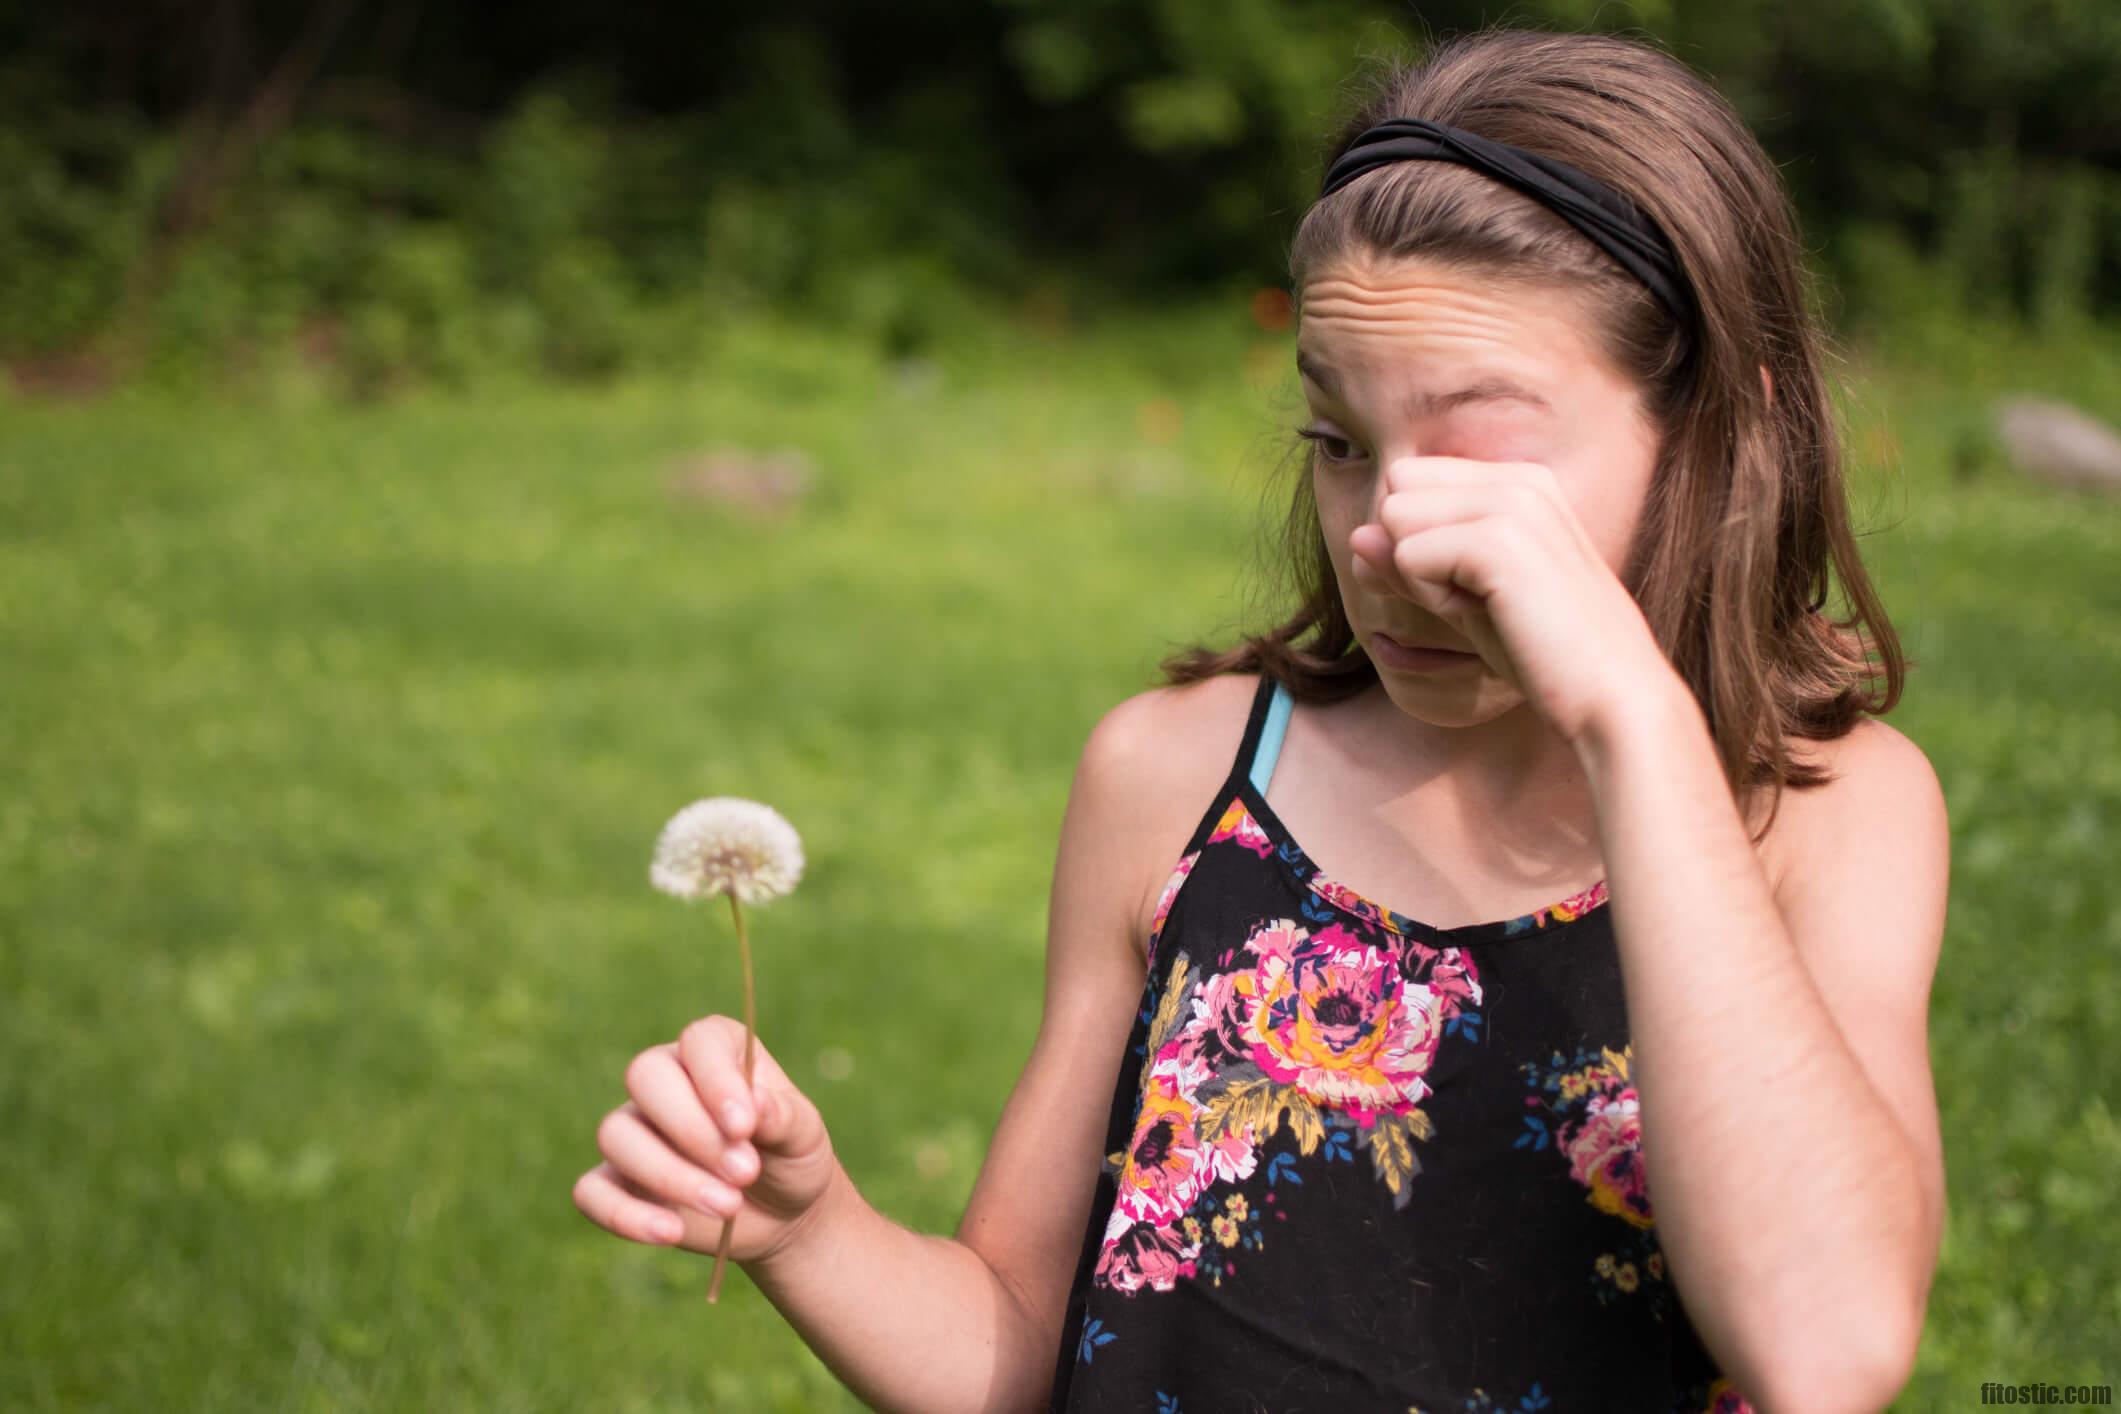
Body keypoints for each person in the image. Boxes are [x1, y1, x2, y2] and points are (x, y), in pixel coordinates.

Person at [571, 25, 1950, 1414]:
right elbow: (1023, 1347)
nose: (1383, 538)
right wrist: (811, 1231)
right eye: (1339, 443)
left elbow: (1822, 1347)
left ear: (1715, 434)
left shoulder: (1819, 817)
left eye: (1476, 457)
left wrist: (1632, 723)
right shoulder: (1174, 775)